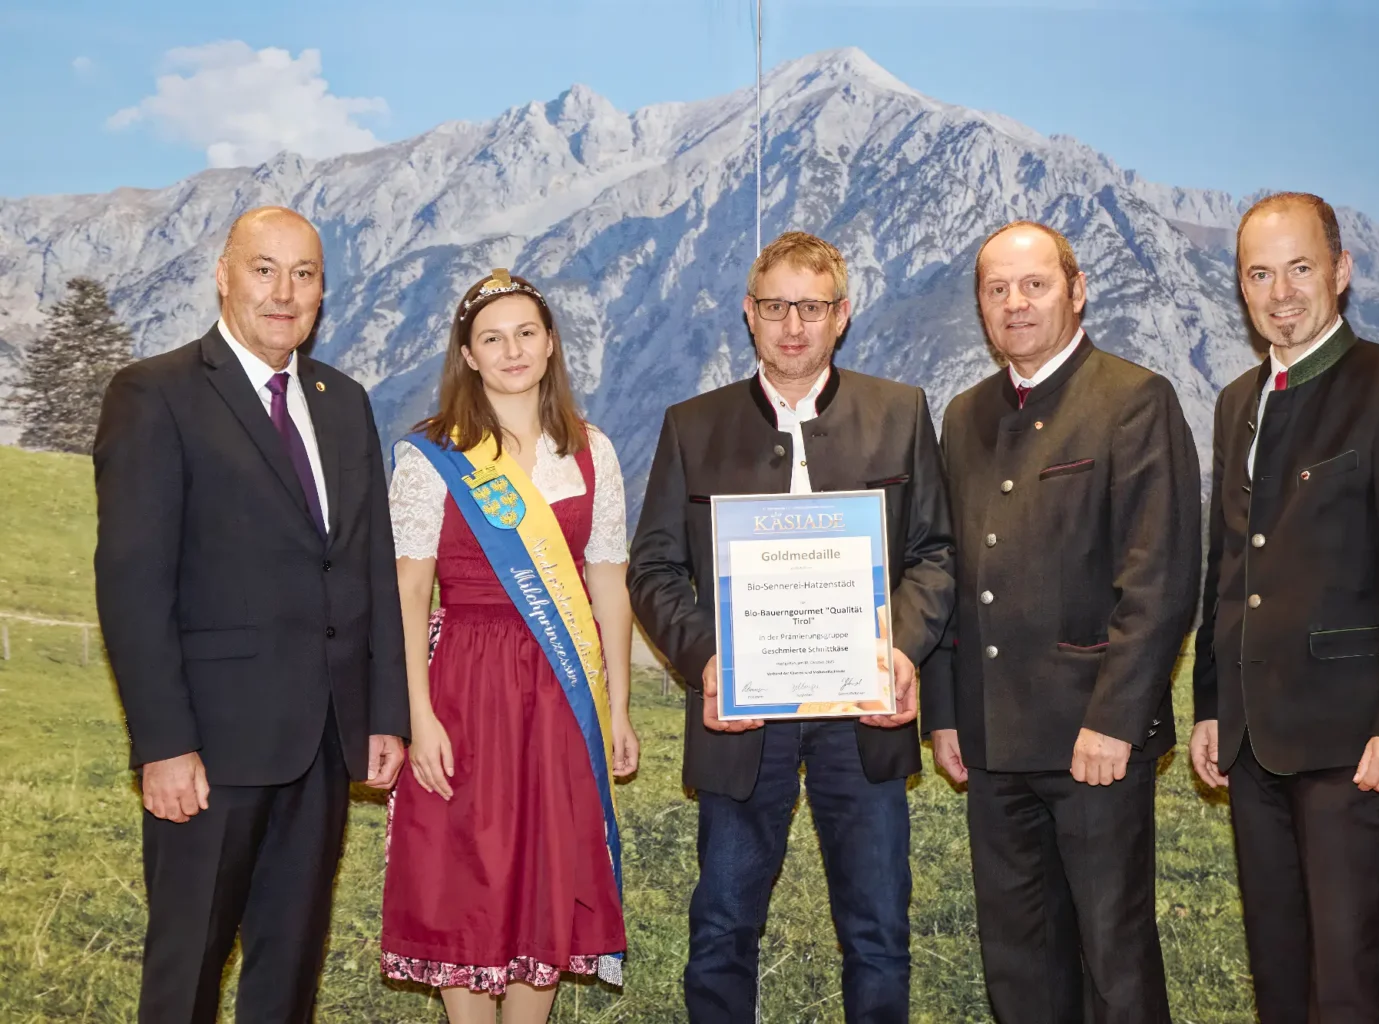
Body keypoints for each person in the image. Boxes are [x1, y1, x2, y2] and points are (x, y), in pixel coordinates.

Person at [627, 230, 954, 1023]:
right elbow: (654, 569)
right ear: (749, 313)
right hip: (743, 718)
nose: (793, 326)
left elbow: (934, 554)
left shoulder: (900, 412)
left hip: (862, 717)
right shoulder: (691, 425)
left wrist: (900, 650)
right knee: (721, 930)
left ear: (842, 315)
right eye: (776, 307)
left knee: (877, 934)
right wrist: (710, 660)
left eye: (812, 307)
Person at [93, 206, 410, 1023]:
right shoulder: (154, 394)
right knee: (185, 972)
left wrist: (385, 713)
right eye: (264, 269)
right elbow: (133, 582)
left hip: (324, 745)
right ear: (223, 275)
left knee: (288, 971)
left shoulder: (344, 402)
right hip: (211, 751)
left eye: (303, 274)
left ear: (323, 292)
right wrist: (164, 743)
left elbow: (367, 561)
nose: (284, 292)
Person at [1190, 192, 1379, 1023]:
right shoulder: (1237, 400)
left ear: (1341, 273)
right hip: (1250, 740)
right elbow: (1228, 566)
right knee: (1278, 972)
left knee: (1348, 978)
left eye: (1300, 268)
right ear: (1241, 287)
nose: (1280, 293)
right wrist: (1209, 706)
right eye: (1260, 274)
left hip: (1355, 741)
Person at [925, 221, 1201, 1023]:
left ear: (1076, 291)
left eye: (1035, 285)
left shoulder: (1134, 399)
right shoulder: (964, 415)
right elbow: (946, 571)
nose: (1016, 304)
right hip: (991, 740)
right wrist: (944, 713)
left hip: (1094, 743)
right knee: (1016, 963)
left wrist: (1115, 721)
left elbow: (1159, 580)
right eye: (997, 289)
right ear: (980, 305)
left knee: (1113, 960)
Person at [379, 269, 637, 1024]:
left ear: (551, 343)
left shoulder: (593, 452)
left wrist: (618, 707)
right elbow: (408, 589)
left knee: (546, 861)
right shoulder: (433, 457)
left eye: (526, 333)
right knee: (464, 863)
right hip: (463, 680)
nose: (512, 350)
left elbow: (610, 585)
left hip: (562, 689)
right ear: (468, 355)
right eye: (492, 338)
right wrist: (415, 715)